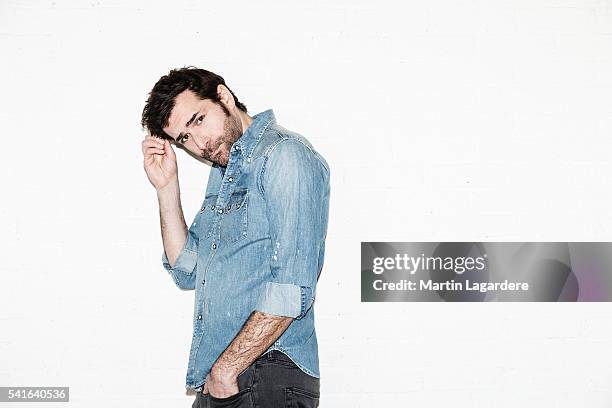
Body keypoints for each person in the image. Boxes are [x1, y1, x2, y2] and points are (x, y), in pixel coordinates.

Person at [140, 67, 330, 407]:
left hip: (265, 371)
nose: (199, 145)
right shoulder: (223, 171)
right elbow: (187, 269)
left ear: (224, 97)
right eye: (184, 138)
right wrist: (167, 188)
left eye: (198, 120)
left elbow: (294, 285)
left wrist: (228, 369)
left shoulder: (283, 155)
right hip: (227, 375)